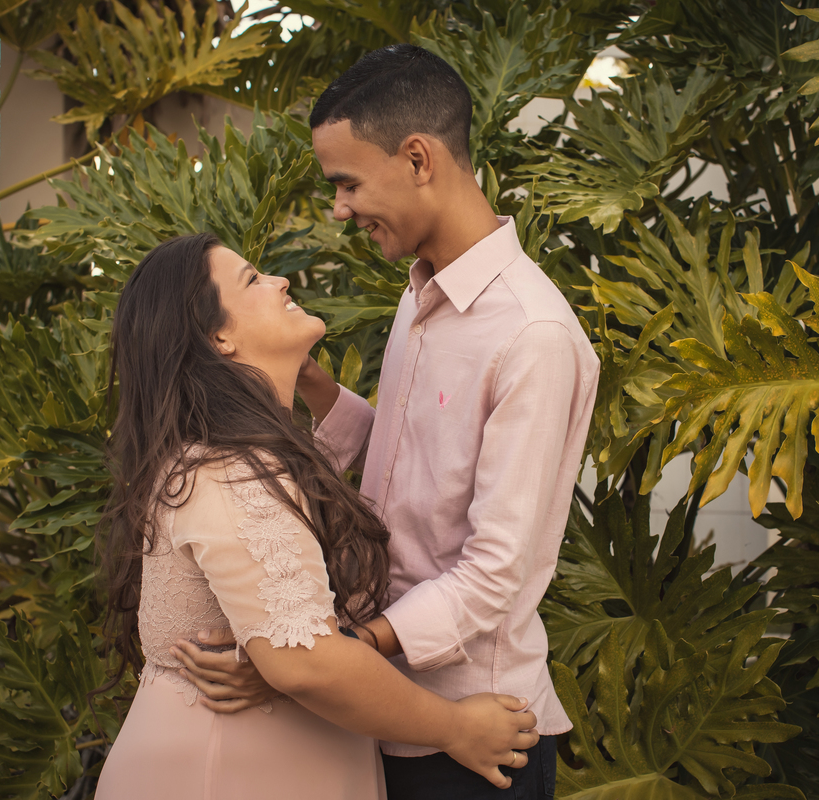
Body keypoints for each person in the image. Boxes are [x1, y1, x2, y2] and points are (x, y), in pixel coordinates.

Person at [175, 44, 600, 799]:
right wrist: (315, 390)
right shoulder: (419, 296)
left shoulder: (532, 337)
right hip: (386, 716)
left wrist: (339, 651)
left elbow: (494, 569)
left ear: (416, 158)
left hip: (472, 730)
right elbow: (407, 463)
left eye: (347, 183)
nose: (339, 208)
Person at [93, 233, 540, 800]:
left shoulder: (239, 455)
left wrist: (302, 375)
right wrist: (456, 728)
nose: (280, 281)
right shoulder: (234, 473)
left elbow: (356, 460)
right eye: (253, 279)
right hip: (226, 773)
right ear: (220, 337)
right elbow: (306, 663)